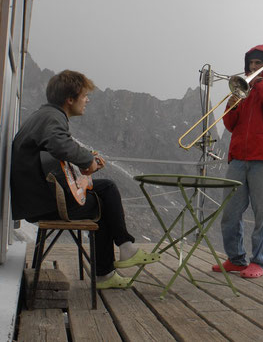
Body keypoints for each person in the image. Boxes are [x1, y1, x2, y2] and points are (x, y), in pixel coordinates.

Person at [11, 70, 160, 289]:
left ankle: (120, 253)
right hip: (42, 203)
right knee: (103, 204)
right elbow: (60, 145)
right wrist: (87, 161)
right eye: (84, 96)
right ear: (69, 99)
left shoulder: (45, 115)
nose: (87, 100)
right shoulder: (53, 118)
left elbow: (54, 157)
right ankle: (110, 267)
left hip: (38, 196)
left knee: (107, 188)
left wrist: (86, 163)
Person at [211, 44, 263, 278]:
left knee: (262, 212)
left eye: (259, 63)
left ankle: (258, 261)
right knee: (230, 212)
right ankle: (235, 259)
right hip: (238, 157)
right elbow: (229, 124)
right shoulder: (242, 89)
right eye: (251, 64)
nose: (254, 67)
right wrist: (235, 98)